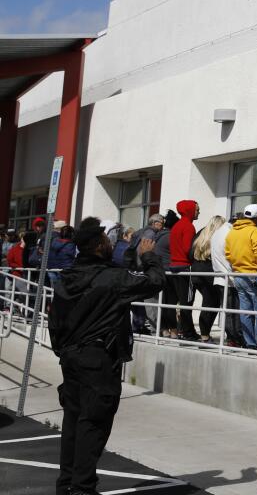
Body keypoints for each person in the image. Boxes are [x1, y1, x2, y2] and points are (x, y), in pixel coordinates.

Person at [49, 217, 165, 495]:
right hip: (97, 359)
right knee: (94, 423)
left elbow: (55, 321)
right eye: (105, 240)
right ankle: (82, 488)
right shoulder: (111, 279)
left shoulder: (70, 276)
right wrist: (149, 256)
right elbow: (155, 281)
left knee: (75, 422)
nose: (109, 242)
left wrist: (63, 351)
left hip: (73, 357)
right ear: (98, 246)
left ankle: (68, 484)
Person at [225, 204, 257, 351]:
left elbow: (228, 254)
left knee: (245, 311)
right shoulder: (254, 230)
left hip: (238, 275)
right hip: (253, 274)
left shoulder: (233, 231)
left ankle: (250, 343)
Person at [166, 200, 201, 343]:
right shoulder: (188, 226)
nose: (199, 212)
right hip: (185, 268)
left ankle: (174, 330)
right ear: (190, 210)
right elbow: (188, 249)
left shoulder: (176, 226)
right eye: (197, 209)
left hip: (173, 267)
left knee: (171, 301)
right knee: (187, 302)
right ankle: (189, 333)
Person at [189, 216, 224, 343]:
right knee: (211, 304)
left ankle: (205, 334)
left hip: (196, 273)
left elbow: (190, 253)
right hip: (210, 274)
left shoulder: (202, 233)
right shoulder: (219, 234)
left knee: (208, 303)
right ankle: (205, 336)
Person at [210, 214, 243, 347]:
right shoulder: (231, 233)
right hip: (229, 278)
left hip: (219, 277)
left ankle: (232, 338)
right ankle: (236, 338)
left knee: (227, 311)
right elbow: (233, 257)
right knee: (233, 311)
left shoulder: (218, 232)